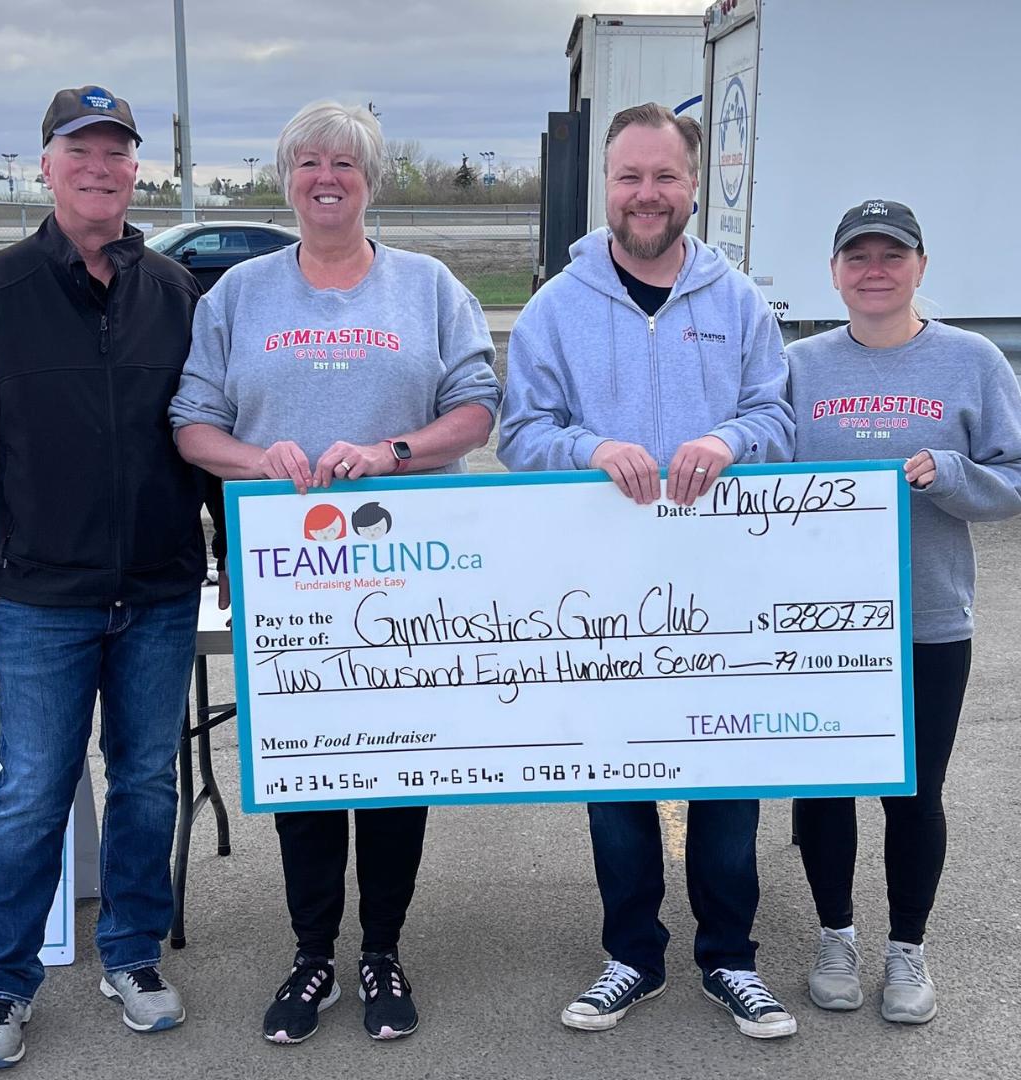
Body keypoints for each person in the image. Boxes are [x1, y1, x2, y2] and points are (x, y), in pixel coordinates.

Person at [169, 100, 500, 1045]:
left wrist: (396, 449)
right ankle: (313, 951)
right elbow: (191, 422)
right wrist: (254, 456)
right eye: (309, 161)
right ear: (286, 180)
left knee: (395, 770)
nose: (327, 176)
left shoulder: (428, 287)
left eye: (345, 163)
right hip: (286, 574)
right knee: (307, 770)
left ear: (371, 180)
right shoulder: (239, 295)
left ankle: (382, 948)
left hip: (409, 566)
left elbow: (476, 408)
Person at [498, 102, 796, 1039]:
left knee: (726, 783)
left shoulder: (737, 299)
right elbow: (520, 434)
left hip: (723, 590)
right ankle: (631, 954)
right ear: (608, 188)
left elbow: (779, 421)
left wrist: (728, 437)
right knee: (616, 782)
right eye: (630, 177)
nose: (647, 194)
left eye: (665, 176)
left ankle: (731, 959)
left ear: (693, 185)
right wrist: (589, 450)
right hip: (603, 593)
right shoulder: (557, 307)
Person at [0, 85, 210, 1071]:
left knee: (145, 782)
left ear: (138, 171)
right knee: (29, 792)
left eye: (117, 153)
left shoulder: (176, 292)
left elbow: (208, 439)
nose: (99, 168)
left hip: (158, 589)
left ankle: (131, 954)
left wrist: (246, 553)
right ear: (46, 166)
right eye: (79, 151)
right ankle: (4, 980)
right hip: (44, 594)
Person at [787, 199, 1021, 1024]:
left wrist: (955, 474)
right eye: (859, 256)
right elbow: (758, 472)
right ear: (835, 272)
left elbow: (1015, 477)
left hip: (927, 619)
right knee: (823, 787)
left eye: (893, 255)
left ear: (922, 266)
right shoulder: (800, 365)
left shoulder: (973, 360)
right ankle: (835, 935)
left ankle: (907, 949)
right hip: (819, 623)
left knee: (914, 793)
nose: (875, 270)